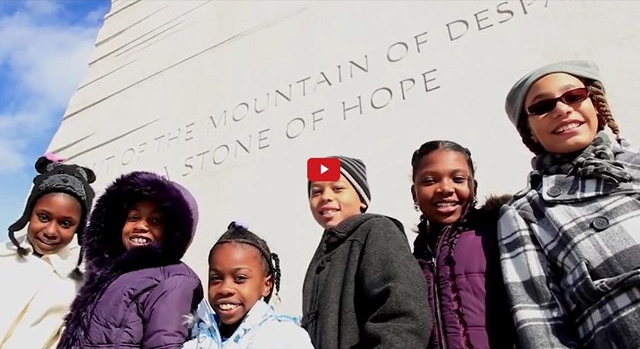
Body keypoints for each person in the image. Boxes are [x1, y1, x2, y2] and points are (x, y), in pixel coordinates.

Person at [499, 59, 640, 348]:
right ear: (529, 132)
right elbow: (541, 326)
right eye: (542, 106)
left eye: (574, 96)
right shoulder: (528, 212)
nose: (562, 109)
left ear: (596, 105)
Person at [57, 171, 203, 348]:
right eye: (133, 217)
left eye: (155, 220)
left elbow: (164, 344)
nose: (141, 226)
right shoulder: (109, 276)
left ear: (173, 231)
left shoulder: (175, 279)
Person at [302, 155, 431, 348]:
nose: (325, 197)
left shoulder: (377, 231)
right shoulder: (324, 255)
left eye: (338, 188)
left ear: (362, 199)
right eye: (316, 191)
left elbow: (403, 319)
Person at [410, 140, 518, 348]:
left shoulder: (497, 233)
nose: (445, 188)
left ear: (473, 187)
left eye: (458, 179)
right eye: (430, 180)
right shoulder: (414, 258)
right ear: (414, 193)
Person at [0, 155, 96, 348]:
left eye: (66, 223)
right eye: (43, 217)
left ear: (78, 228)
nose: (51, 231)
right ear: (28, 213)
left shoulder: (78, 286)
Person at [183, 221, 314, 349]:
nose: (225, 289)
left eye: (240, 278)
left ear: (267, 285)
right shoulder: (197, 338)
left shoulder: (285, 338)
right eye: (216, 278)